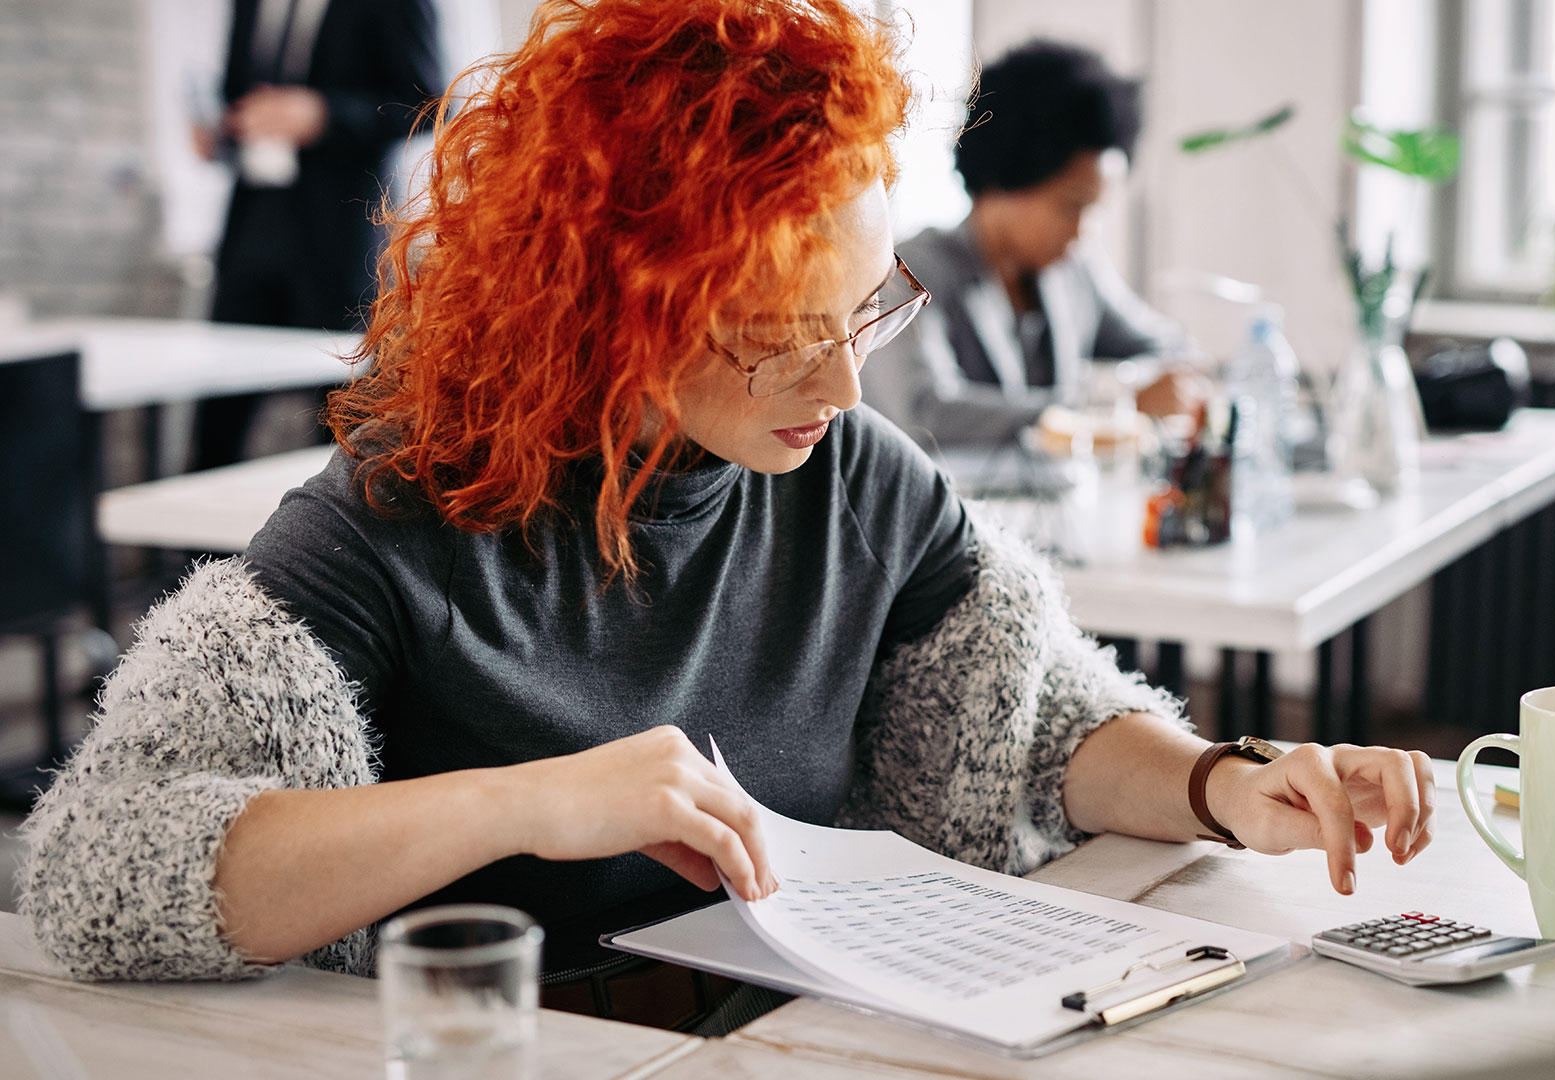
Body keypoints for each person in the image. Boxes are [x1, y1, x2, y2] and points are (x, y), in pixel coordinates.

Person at [20, 0, 1434, 1032]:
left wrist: (1224, 783)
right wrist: (525, 804)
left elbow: (1047, 730)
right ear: (612, 305)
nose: (840, 378)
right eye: (772, 334)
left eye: (864, 312)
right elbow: (102, 870)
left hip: (803, 1036)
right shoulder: (407, 511)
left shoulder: (856, 476)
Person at [862, 40, 1204, 453]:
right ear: (1002, 180)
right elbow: (927, 413)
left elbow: (1167, 345)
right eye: (1071, 206)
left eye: (1094, 209)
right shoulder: (912, 271)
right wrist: (1111, 407)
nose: (1083, 232)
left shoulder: (1073, 270)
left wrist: (1156, 384)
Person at [190, 0, 441, 470]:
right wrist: (221, 131)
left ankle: (329, 541)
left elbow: (428, 106)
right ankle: (193, 548)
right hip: (252, 223)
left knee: (341, 423)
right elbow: (240, 94)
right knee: (215, 423)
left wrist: (326, 114)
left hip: (339, 234)